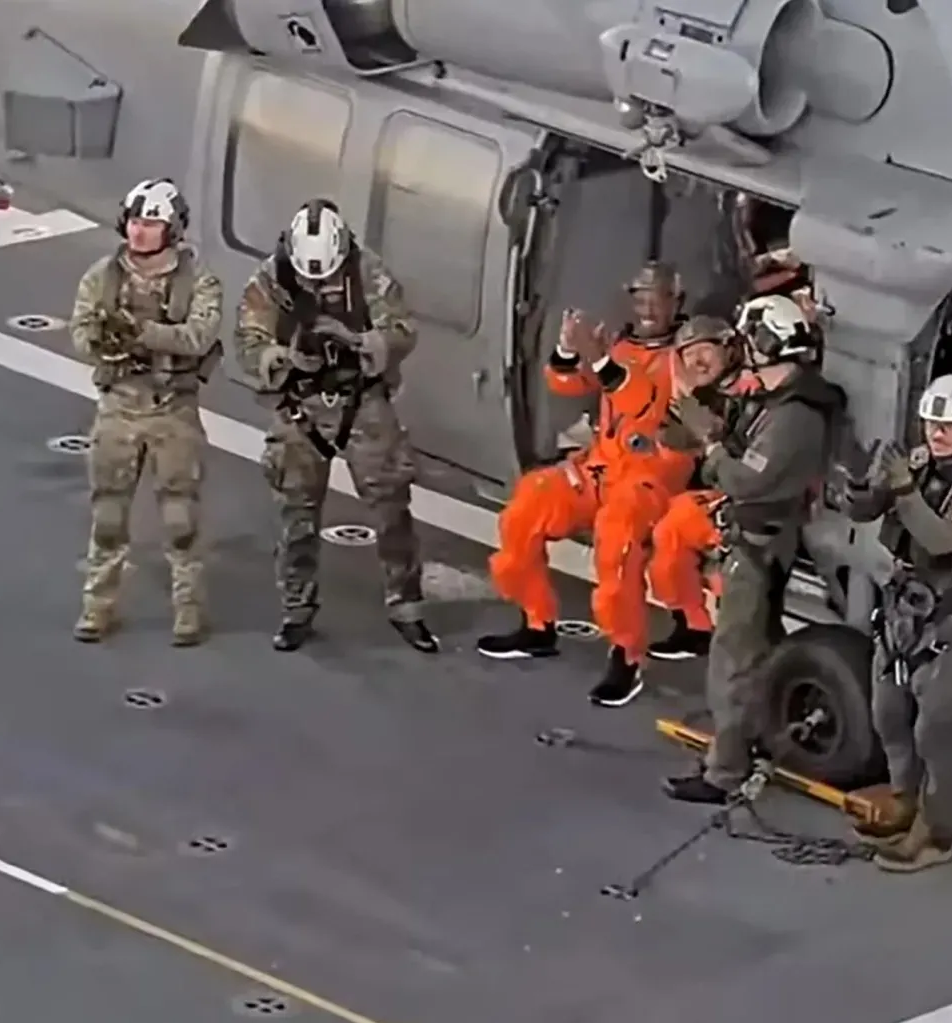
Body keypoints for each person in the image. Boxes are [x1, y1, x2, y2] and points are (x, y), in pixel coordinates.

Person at [477, 262, 704, 707]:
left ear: (676, 301)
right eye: (640, 297)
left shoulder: (687, 356)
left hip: (652, 478)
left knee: (617, 540)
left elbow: (641, 401)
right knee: (528, 504)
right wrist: (567, 349)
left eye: (657, 298)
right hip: (602, 468)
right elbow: (566, 382)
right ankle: (537, 625)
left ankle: (626, 656)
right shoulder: (620, 344)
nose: (647, 308)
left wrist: (600, 359)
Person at [234, 198, 438, 655]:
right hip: (300, 404)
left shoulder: (367, 271)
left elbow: (402, 328)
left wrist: (362, 341)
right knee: (296, 514)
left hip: (361, 399)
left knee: (391, 507)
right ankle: (296, 609)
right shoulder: (272, 277)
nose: (316, 283)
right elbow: (248, 339)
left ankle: (406, 605)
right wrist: (282, 357)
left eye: (324, 275)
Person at [660, 305, 845, 805]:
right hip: (758, 540)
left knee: (733, 659)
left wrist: (712, 445)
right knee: (756, 649)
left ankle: (725, 772)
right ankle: (757, 738)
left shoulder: (794, 416)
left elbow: (747, 480)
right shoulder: (777, 402)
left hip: (760, 543)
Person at [845, 373, 952, 872]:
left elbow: (942, 539)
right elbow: (869, 510)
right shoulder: (921, 462)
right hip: (903, 607)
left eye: (950, 426)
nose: (937, 434)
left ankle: (937, 831)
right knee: (887, 712)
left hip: (947, 621)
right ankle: (904, 798)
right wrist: (861, 485)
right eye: (930, 423)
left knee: (936, 732)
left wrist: (904, 488)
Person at [69, 178, 223, 646]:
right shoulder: (102, 276)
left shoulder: (198, 281)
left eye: (151, 224)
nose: (139, 231)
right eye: (135, 221)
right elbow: (80, 334)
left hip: (173, 410)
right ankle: (97, 608)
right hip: (118, 406)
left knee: (180, 520)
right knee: (108, 518)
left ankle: (188, 611)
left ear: (171, 230)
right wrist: (102, 340)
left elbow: (198, 336)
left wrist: (142, 333)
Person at [647, 294, 828, 660]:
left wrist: (712, 437)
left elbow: (800, 383)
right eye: (688, 356)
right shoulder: (706, 397)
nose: (697, 362)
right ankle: (694, 626)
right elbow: (672, 437)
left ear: (730, 348)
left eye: (704, 351)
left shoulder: (767, 385)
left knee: (738, 586)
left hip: (765, 503)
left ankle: (745, 641)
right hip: (732, 492)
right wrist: (689, 411)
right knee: (669, 536)